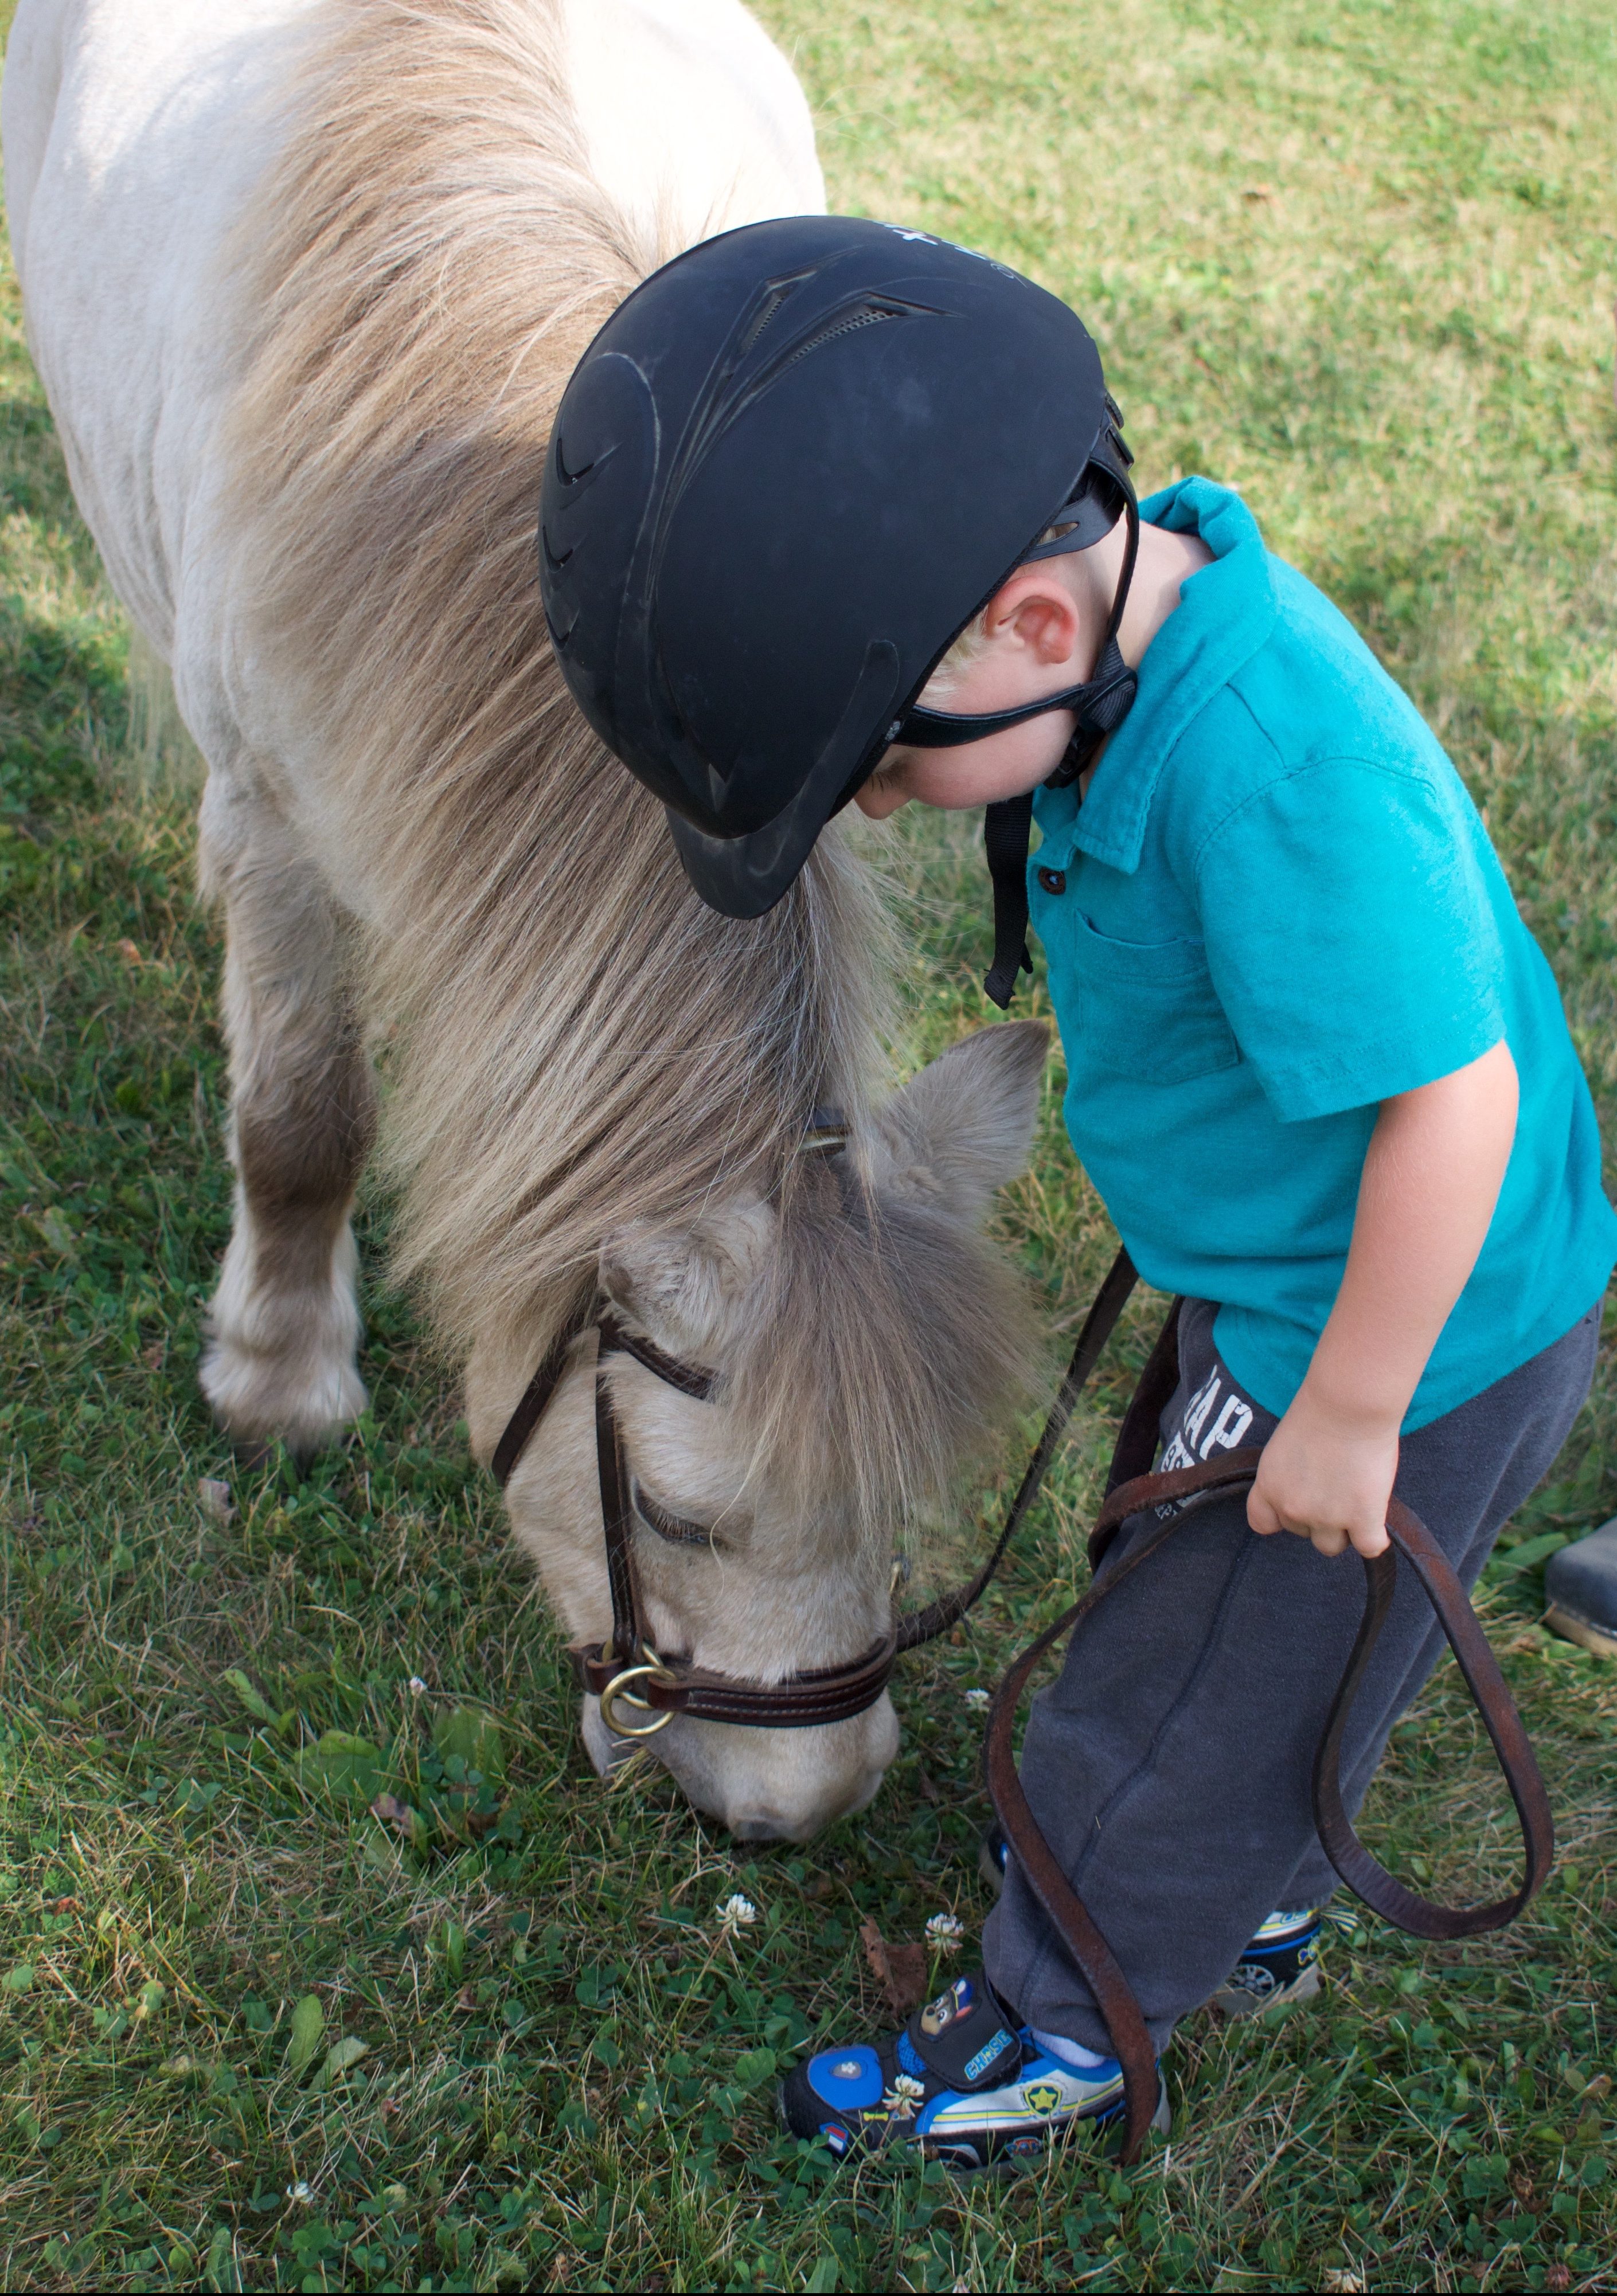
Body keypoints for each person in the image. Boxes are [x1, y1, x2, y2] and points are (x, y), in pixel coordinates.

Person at [540, 216, 1616, 2170]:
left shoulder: (1275, 775)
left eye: (872, 767)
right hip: (1303, 1281)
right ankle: (1240, 1887)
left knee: (1171, 1685)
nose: (869, 808)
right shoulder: (1113, 650)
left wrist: (1352, 1408)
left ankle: (1066, 2020)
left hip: (1390, 1328)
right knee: (1270, 1642)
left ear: (1032, 631)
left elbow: (1448, 1107)